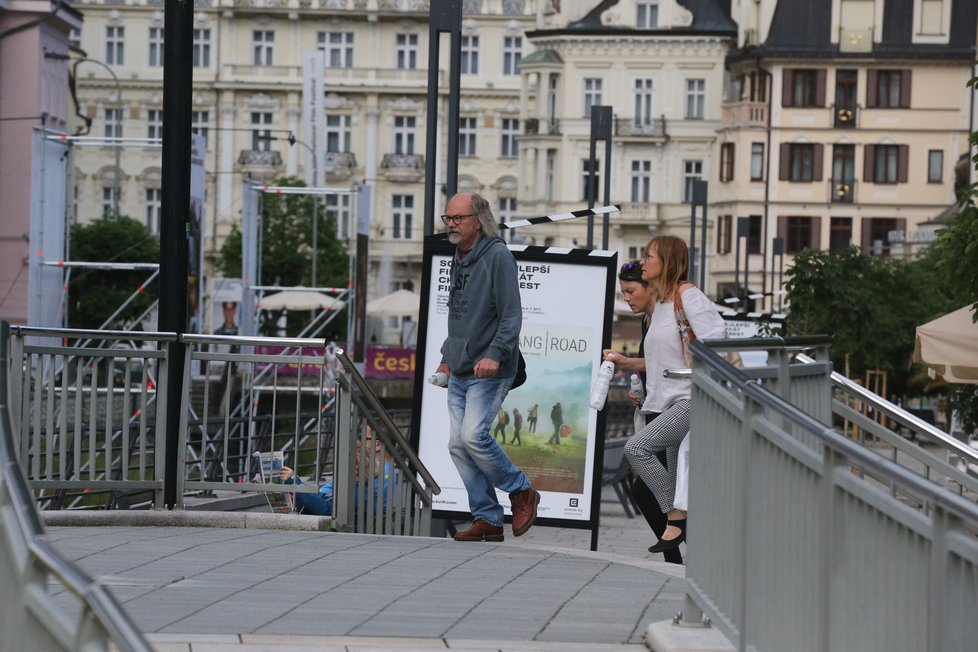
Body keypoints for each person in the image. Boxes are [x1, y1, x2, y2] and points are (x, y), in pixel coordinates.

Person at [604, 236, 725, 555]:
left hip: (691, 399)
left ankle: (676, 518)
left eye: (649, 256)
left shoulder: (688, 295)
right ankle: (697, 556)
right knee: (675, 481)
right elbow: (665, 357)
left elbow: (716, 343)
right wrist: (629, 364)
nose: (643, 262)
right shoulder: (659, 305)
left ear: (668, 262)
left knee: (637, 448)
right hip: (664, 402)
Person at [434, 192, 539, 542]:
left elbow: (511, 315)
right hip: (462, 367)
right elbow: (458, 313)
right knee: (456, 445)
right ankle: (489, 518)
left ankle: (521, 490)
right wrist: (447, 356)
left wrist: (495, 353)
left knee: (472, 436)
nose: (450, 224)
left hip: (491, 367)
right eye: (448, 218)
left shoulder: (497, 256)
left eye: (457, 218)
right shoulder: (458, 254)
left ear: (477, 220)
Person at [603, 260, 682, 565]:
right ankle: (674, 549)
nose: (627, 297)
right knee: (648, 489)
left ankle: (676, 543)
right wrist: (638, 387)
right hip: (655, 408)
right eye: (623, 291)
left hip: (674, 409)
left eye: (631, 290)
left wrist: (628, 363)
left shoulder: (667, 318)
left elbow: (669, 362)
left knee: (646, 486)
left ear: (651, 288)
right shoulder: (647, 321)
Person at [280, 427, 389, 516]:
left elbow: (325, 508)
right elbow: (326, 500)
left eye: (341, 465)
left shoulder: (357, 493)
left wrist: (295, 483)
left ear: (355, 468)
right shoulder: (361, 488)